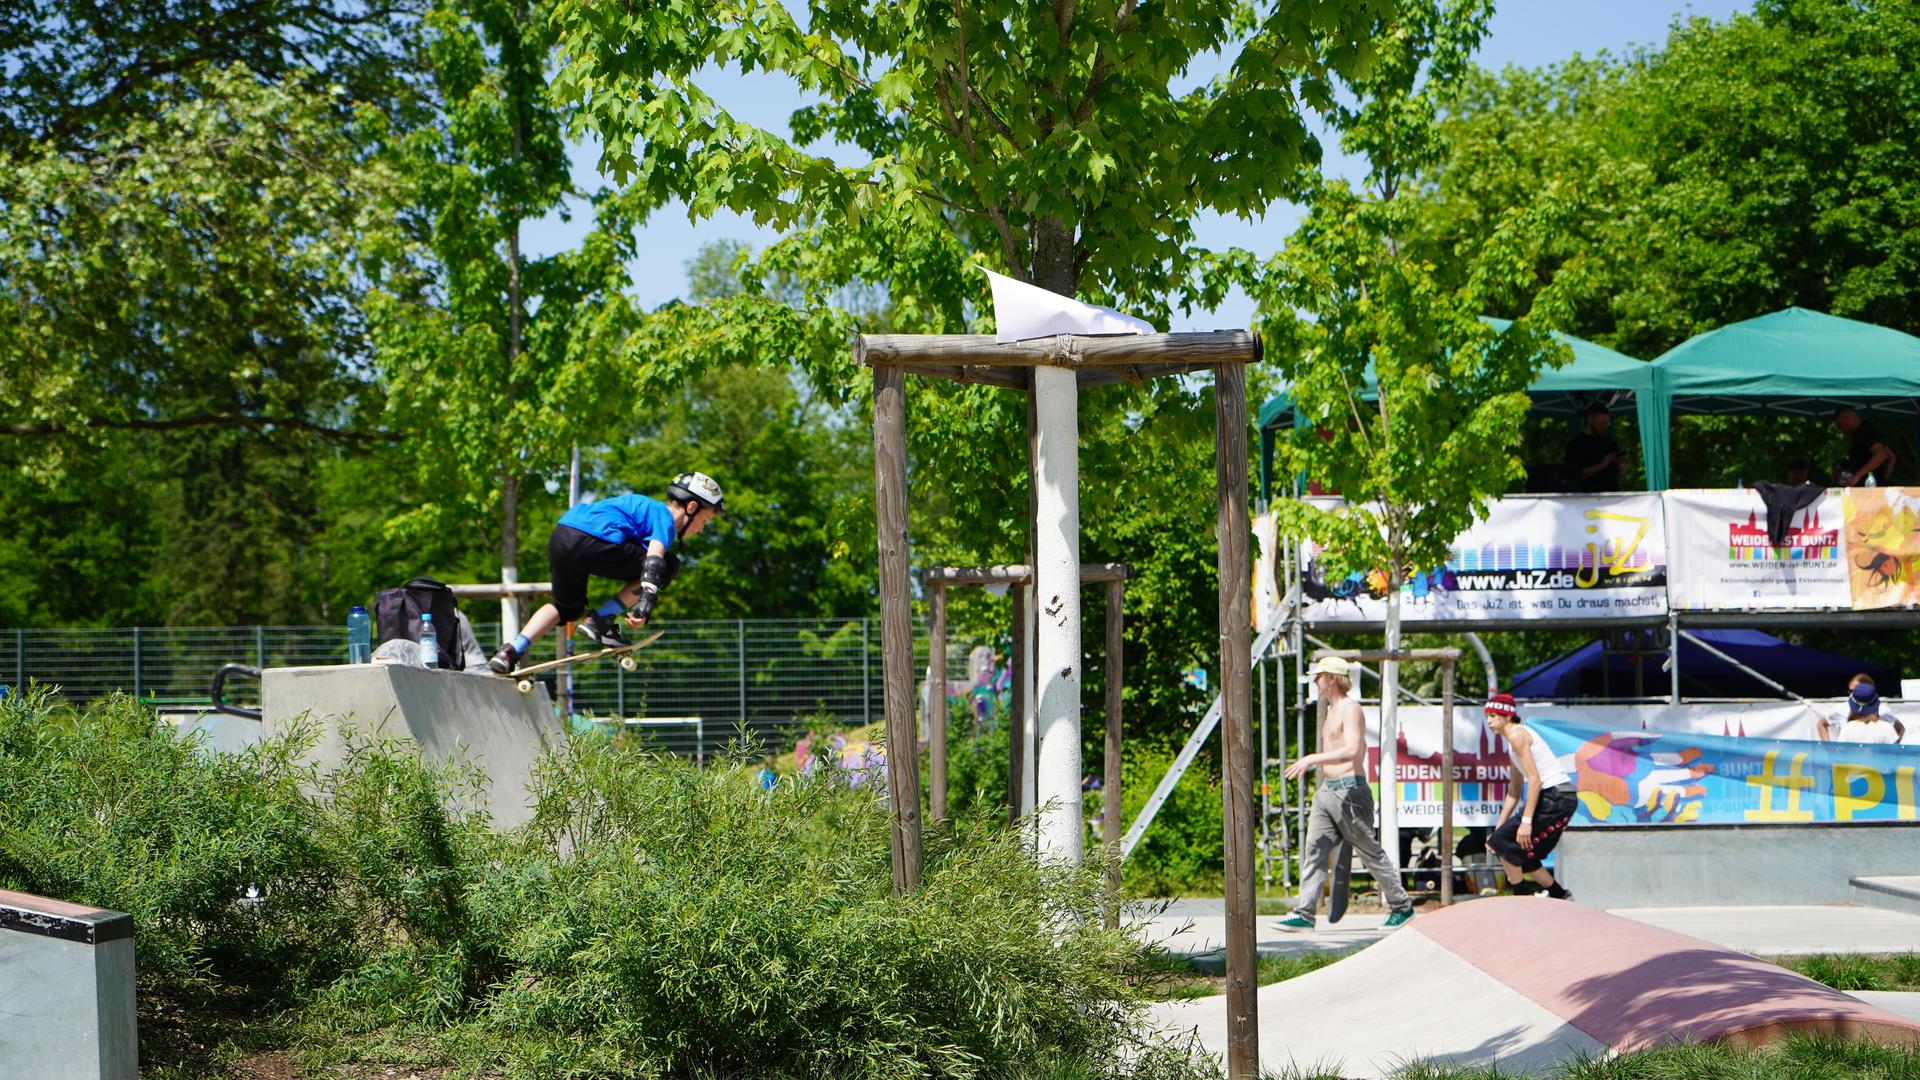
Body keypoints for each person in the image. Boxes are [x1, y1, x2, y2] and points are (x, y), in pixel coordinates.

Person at [488, 472, 723, 675]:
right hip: (595, 541)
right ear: (692, 507)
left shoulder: (638, 507)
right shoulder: (663, 515)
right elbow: (653, 560)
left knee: (567, 608)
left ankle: (510, 651)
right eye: (706, 519)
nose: (702, 528)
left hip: (562, 534)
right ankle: (601, 621)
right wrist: (646, 600)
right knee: (668, 564)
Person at [1277, 656, 1415, 931]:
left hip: (1350, 791)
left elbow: (1353, 749)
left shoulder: (1351, 709)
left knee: (1369, 852)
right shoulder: (1329, 710)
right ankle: (1305, 913)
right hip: (1327, 792)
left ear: (1333, 679)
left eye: (1319, 676)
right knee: (1315, 850)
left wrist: (1312, 758)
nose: (1315, 681)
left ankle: (1402, 907)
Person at [1484, 693, 1576, 900]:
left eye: (1493, 715)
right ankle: (1560, 895)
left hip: (1555, 797)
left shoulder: (1518, 735)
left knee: (1504, 845)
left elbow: (1535, 780)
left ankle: (1522, 899)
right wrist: (1500, 825)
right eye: (1487, 716)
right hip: (1559, 798)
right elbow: (1514, 791)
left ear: (1507, 716)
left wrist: (1525, 822)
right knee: (1521, 852)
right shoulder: (1512, 744)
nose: (1489, 721)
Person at [1814, 676, 1906, 745]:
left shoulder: (1848, 728)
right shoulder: (1886, 728)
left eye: (1855, 691)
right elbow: (1821, 723)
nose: (1851, 694)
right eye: (1850, 691)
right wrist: (1827, 747)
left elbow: (1900, 728)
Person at [1563, 402, 1623, 492]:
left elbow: (1618, 471)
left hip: (1612, 496)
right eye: (1600, 423)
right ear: (1589, 419)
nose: (1603, 427)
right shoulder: (1576, 444)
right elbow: (1574, 475)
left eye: (1606, 423)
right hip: (1588, 498)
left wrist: (1621, 465)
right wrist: (1600, 466)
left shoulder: (1610, 442)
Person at [1832, 406, 1895, 487]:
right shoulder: (1859, 434)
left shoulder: (1866, 430)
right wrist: (1882, 479)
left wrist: (1857, 476)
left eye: (1840, 426)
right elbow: (1891, 456)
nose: (1841, 430)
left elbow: (1882, 454)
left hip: (1870, 491)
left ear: (1846, 420)